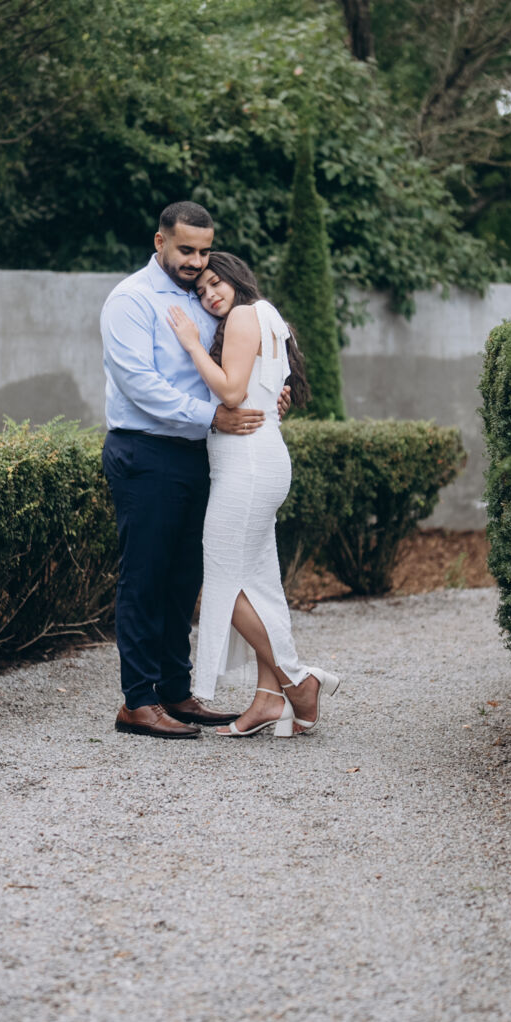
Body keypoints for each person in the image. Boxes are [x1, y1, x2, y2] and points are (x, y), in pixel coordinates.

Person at [100, 203, 285, 739]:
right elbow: (140, 384)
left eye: (204, 251)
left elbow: (232, 368)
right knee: (144, 577)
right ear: (160, 241)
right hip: (145, 452)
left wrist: (267, 396)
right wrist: (214, 415)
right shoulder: (131, 300)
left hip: (200, 453)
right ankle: (137, 701)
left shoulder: (204, 298)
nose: (196, 261)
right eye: (186, 250)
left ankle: (175, 693)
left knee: (183, 578)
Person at [165, 251, 340, 737]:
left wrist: (192, 343)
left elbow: (232, 393)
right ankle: (267, 699)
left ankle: (297, 681)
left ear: (237, 279)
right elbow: (266, 391)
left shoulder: (244, 314)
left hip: (247, 467)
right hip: (258, 463)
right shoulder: (266, 317)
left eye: (215, 283)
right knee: (259, 584)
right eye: (202, 290)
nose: (209, 295)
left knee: (223, 580)